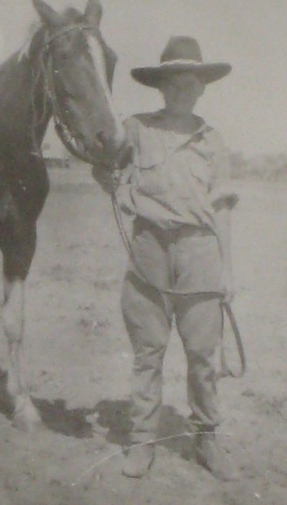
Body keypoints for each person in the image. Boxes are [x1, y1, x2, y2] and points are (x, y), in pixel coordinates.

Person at [93, 35, 239, 481]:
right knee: (147, 353)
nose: (182, 90)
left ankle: (206, 439)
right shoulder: (136, 129)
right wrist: (119, 190)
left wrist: (227, 270)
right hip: (149, 251)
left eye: (190, 82)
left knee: (202, 356)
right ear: (162, 88)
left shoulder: (212, 141)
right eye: (174, 83)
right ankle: (141, 443)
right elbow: (103, 163)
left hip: (200, 254)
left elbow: (222, 210)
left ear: (202, 88)